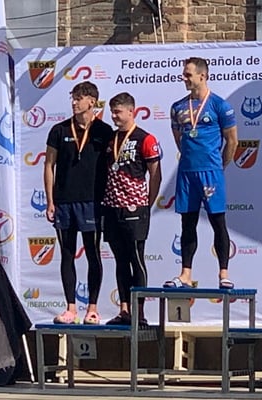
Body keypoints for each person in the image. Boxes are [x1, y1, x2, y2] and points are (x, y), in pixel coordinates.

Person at [163, 57, 238, 289]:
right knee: (187, 223)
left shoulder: (219, 105)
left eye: (188, 75)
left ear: (202, 76)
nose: (183, 78)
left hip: (211, 172)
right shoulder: (177, 107)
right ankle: (185, 274)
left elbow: (232, 141)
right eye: (184, 74)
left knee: (218, 222)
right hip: (187, 172)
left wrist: (219, 166)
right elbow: (179, 139)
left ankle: (223, 274)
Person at [44, 81, 113, 324]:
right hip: (64, 202)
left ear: (91, 102)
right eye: (72, 98)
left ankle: (92, 308)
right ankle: (70, 308)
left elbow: (113, 166)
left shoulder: (104, 131)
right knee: (67, 254)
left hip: (93, 201)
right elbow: (49, 165)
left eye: (78, 98)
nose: (74, 102)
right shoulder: (59, 130)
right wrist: (50, 200)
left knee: (93, 253)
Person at [102, 92, 162, 326]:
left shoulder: (145, 138)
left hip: (135, 207)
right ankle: (124, 310)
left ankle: (140, 312)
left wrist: (147, 203)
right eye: (112, 112)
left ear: (131, 111)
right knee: (120, 260)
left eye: (118, 112)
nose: (114, 116)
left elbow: (155, 175)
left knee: (136, 259)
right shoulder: (110, 139)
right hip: (112, 208)